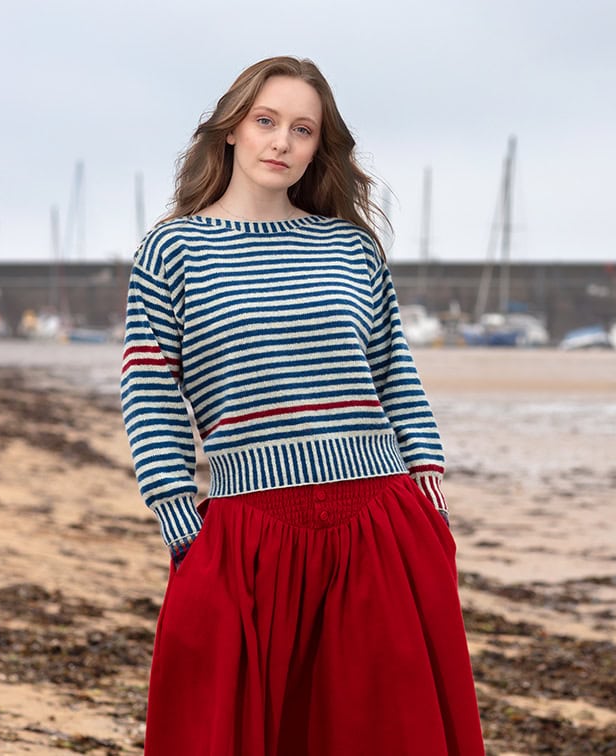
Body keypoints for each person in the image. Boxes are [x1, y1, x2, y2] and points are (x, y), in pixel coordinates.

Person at [119, 56, 484, 755]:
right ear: (231, 131)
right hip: (248, 531)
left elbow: (392, 370)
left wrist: (427, 480)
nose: (281, 141)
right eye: (266, 121)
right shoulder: (174, 250)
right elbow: (149, 387)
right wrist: (177, 517)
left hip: (380, 524)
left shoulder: (350, 248)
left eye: (303, 129)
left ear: (320, 146)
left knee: (387, 736)